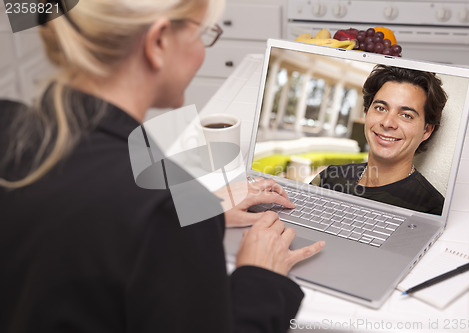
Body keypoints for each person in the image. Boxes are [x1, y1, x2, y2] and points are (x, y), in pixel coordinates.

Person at [0, 1, 324, 332]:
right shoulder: (159, 214)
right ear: (158, 42)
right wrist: (260, 276)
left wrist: (199, 207)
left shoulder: (8, 123)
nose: (202, 51)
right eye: (202, 34)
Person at [312, 65, 447, 215]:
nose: (387, 123)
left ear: (426, 131)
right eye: (381, 108)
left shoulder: (431, 209)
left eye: (406, 115)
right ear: (366, 113)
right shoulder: (329, 178)